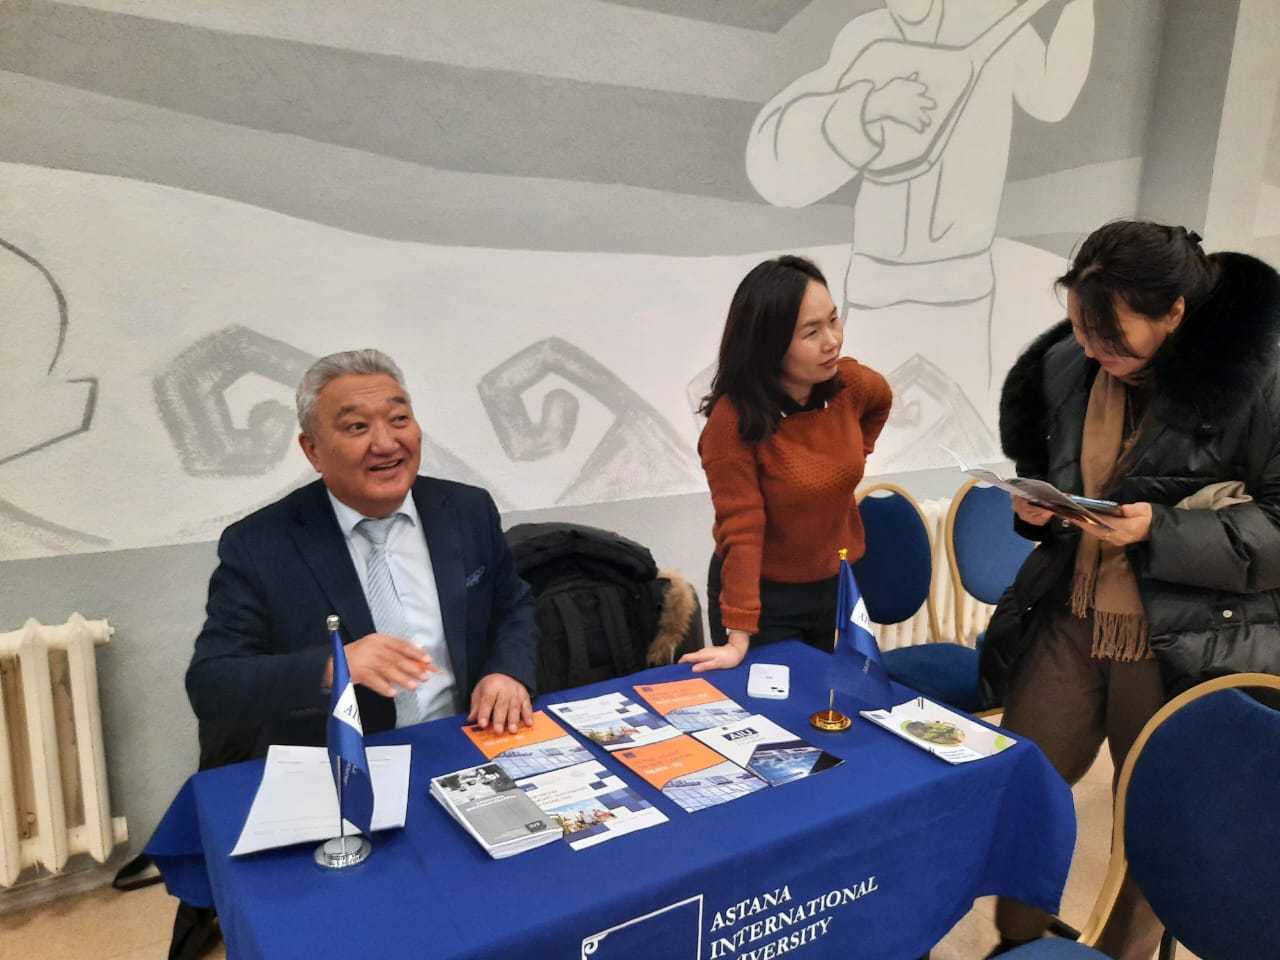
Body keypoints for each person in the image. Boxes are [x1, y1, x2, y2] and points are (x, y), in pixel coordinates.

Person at [981, 220, 1280, 959]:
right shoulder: (1068, 365)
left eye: (1109, 336)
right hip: (1073, 604)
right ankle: (1018, 941)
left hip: (1189, 631)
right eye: (1081, 327)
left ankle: (1122, 954)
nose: (1090, 349)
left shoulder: (1260, 378)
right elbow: (1059, 473)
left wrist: (1162, 530)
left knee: (1152, 815)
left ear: (1174, 313)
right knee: (1024, 778)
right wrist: (1037, 508)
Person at [186, 349, 539, 770]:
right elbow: (213, 684)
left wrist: (508, 672)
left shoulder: (466, 510)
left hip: (462, 740)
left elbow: (512, 605)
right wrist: (334, 667)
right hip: (343, 766)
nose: (386, 443)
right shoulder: (260, 544)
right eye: (357, 426)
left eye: (399, 419)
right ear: (313, 450)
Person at [681, 255, 892, 672]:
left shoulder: (850, 385)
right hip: (764, 596)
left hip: (834, 584)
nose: (832, 341)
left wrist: (855, 454)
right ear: (770, 344)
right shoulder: (734, 422)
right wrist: (737, 639)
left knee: (826, 697)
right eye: (811, 332)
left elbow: (881, 400)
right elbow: (742, 529)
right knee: (776, 707)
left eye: (833, 321)